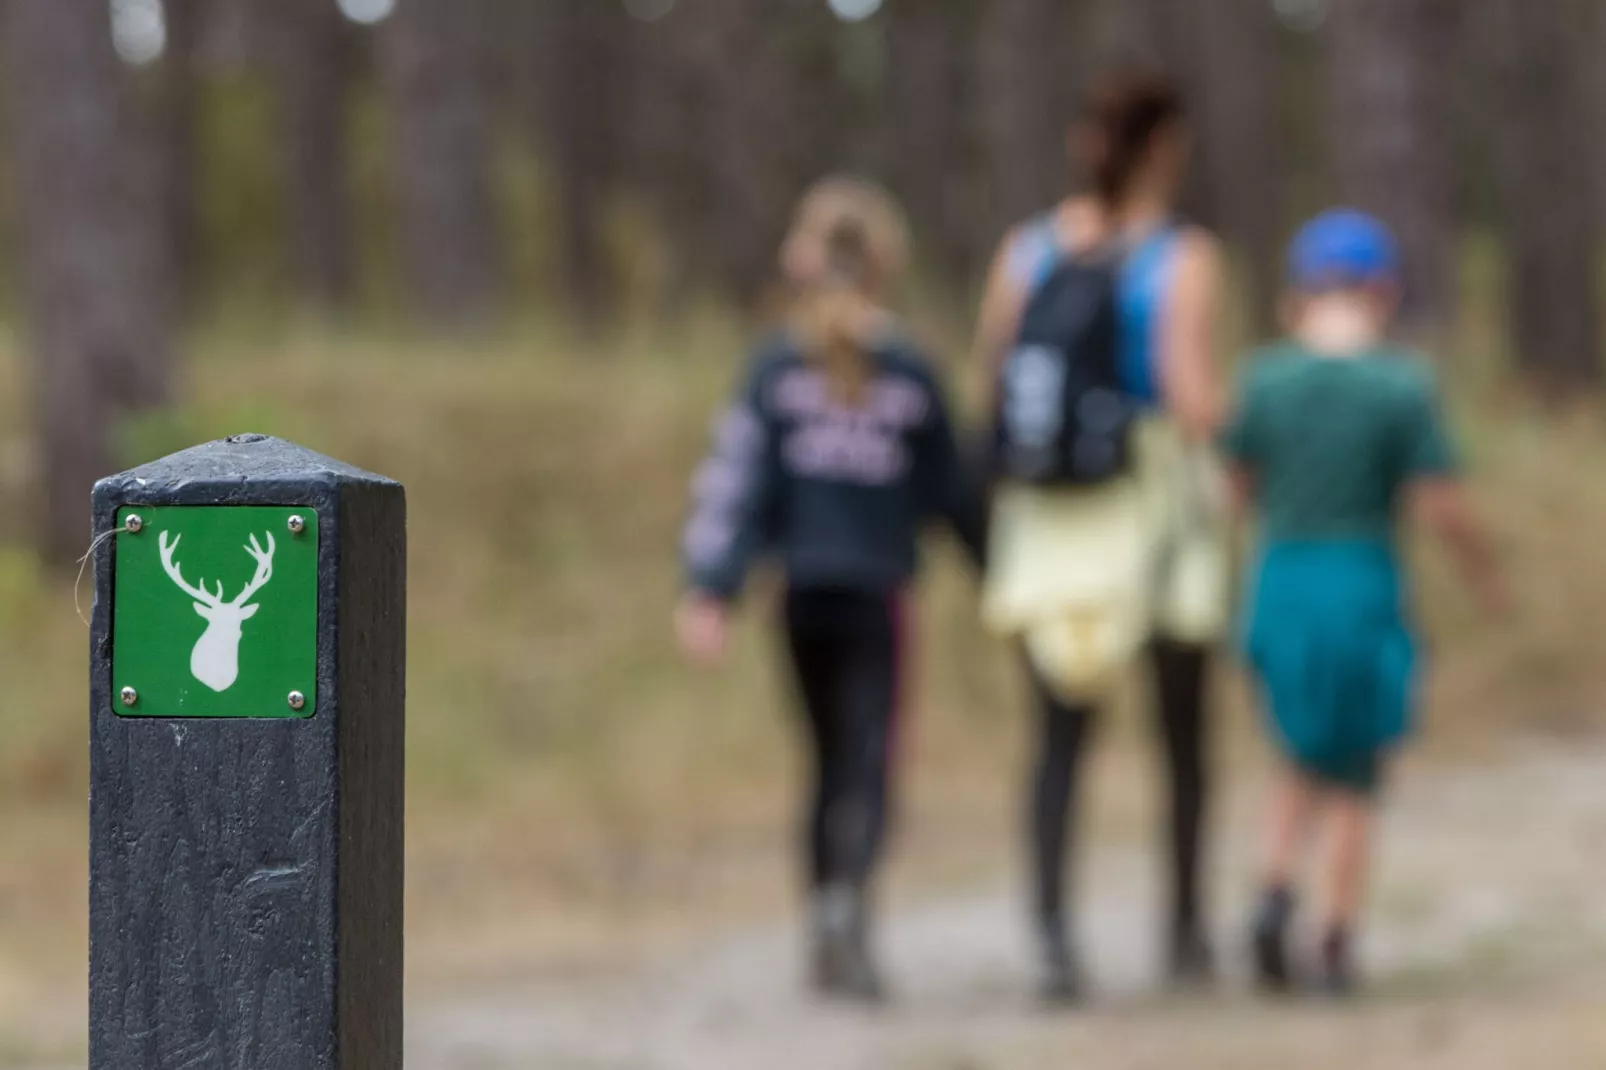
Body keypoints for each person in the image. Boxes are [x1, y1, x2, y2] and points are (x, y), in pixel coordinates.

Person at [676, 177, 983, 1003]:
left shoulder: (776, 363)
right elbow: (954, 492)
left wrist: (711, 588)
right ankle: (849, 904)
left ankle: (822, 917)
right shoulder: (910, 367)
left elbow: (736, 482)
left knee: (822, 764)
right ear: (886, 263)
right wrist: (1004, 579)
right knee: (869, 760)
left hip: (801, 597)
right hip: (879, 596)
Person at [970, 70, 1232, 1002]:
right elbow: (1190, 394)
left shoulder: (1028, 250)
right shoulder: (1181, 257)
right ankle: (1186, 931)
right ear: (1166, 145)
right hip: (1151, 497)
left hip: (1052, 516)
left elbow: (993, 381)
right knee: (1183, 732)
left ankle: (1051, 935)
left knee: (1057, 738)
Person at [1222, 209, 1505, 995]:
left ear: (1298, 293)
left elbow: (1231, 491)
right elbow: (1439, 505)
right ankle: (1336, 937)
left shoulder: (1262, 380)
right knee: (1357, 772)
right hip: (1361, 581)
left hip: (1281, 579)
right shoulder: (1398, 385)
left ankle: (1275, 890)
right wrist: (1486, 577)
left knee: (1296, 753)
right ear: (1382, 291)